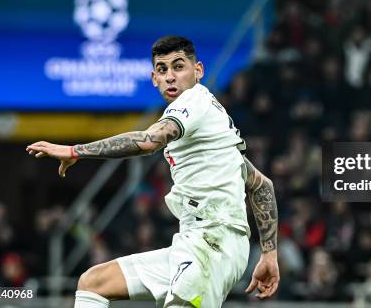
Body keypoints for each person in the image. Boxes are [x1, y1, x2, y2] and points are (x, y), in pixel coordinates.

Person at [27, 36, 280, 308]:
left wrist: (76, 151)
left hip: (214, 244)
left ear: (199, 71)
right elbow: (261, 185)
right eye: (162, 69)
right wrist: (269, 255)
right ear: (153, 78)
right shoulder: (211, 122)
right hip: (193, 242)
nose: (170, 76)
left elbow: (149, 141)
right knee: (93, 282)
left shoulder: (194, 101)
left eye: (179, 66)